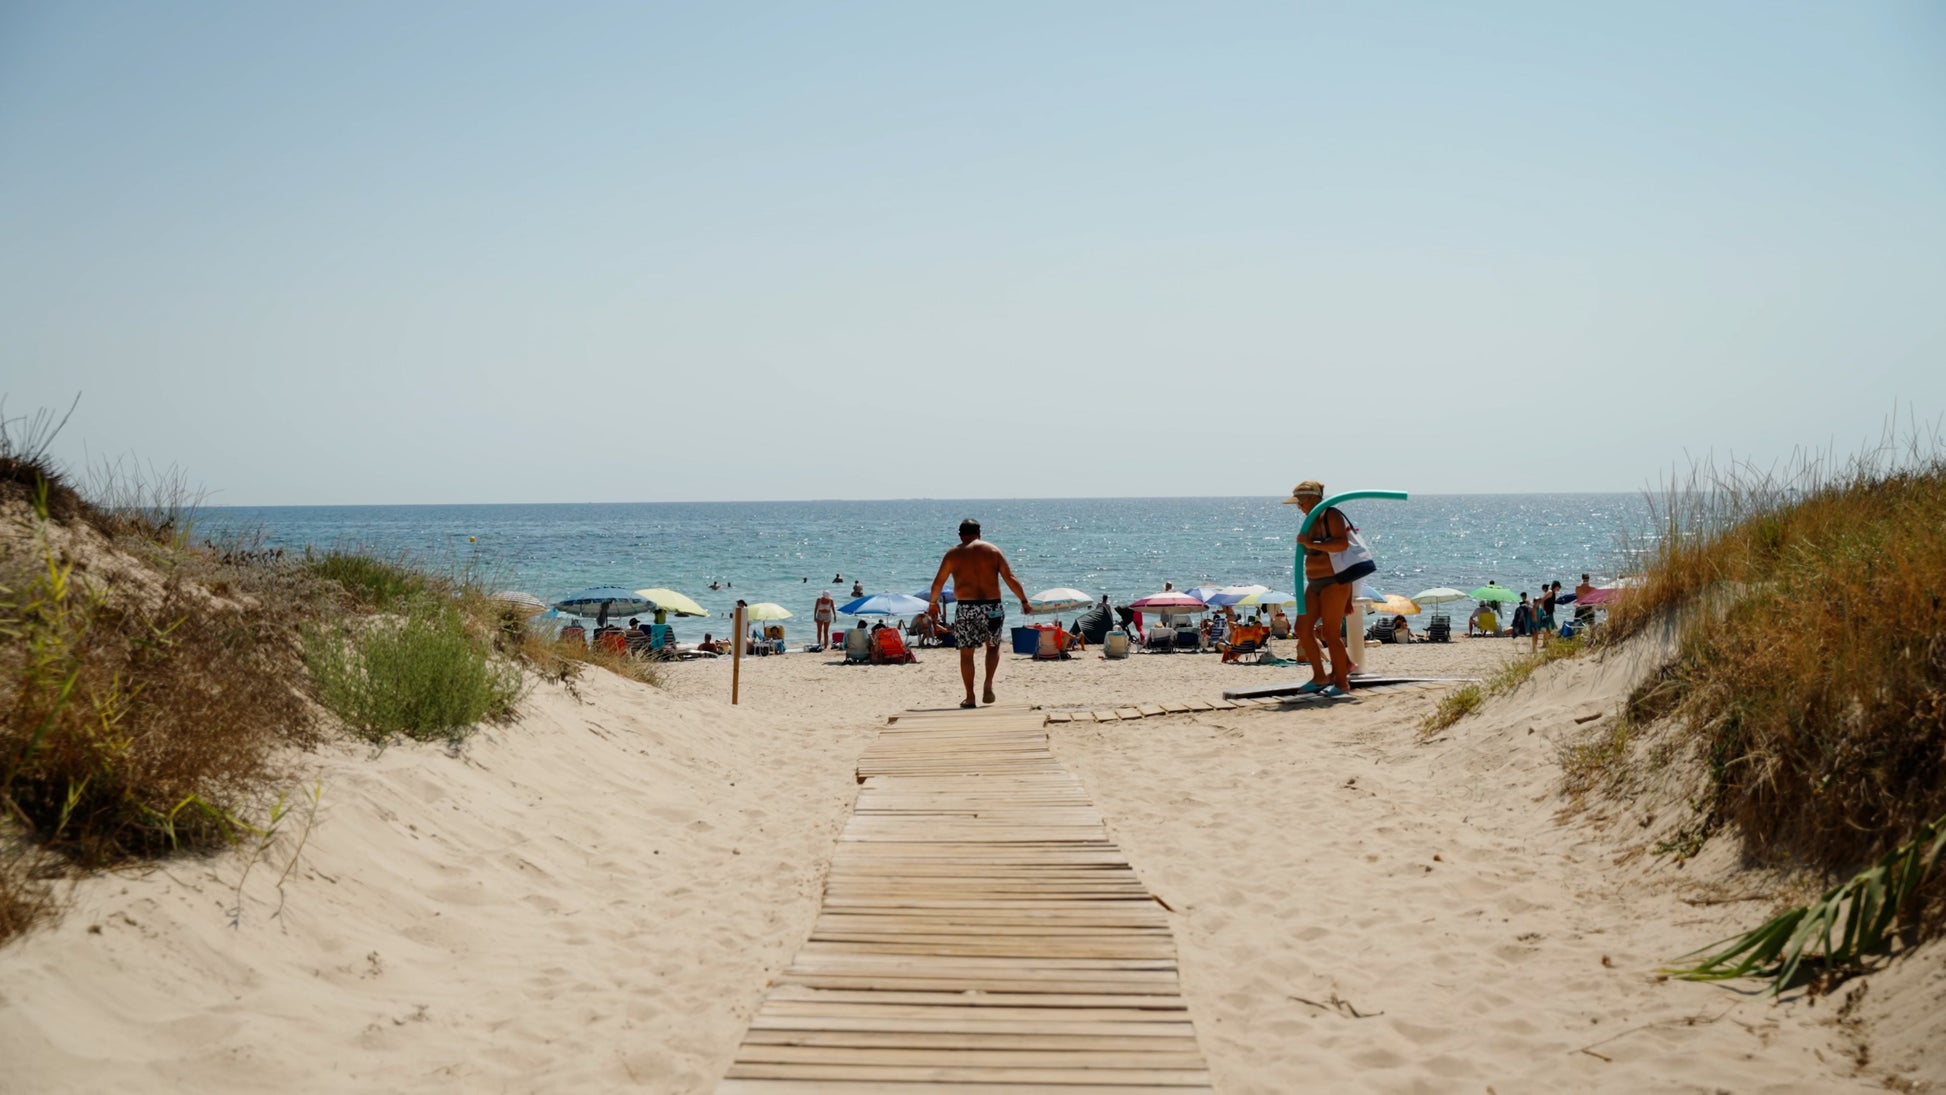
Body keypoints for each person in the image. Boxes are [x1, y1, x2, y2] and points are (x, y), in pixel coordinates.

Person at [928, 518, 1030, 709]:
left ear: (960, 535)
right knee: (992, 647)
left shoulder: (952, 555)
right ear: (979, 534)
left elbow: (938, 583)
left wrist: (933, 604)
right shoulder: (993, 551)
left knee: (967, 654)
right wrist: (1023, 600)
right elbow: (1010, 578)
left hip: (966, 608)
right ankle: (988, 683)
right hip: (992, 607)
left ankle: (970, 697)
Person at [1284, 481, 1360, 696]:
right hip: (1314, 582)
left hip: (1334, 582)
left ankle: (1342, 683)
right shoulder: (1310, 520)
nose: (1299, 507)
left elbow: (1341, 545)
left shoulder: (1331, 515)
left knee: (1330, 633)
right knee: (1302, 628)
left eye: (1301, 501)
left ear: (1314, 498)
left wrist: (1311, 544)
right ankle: (1320, 675)